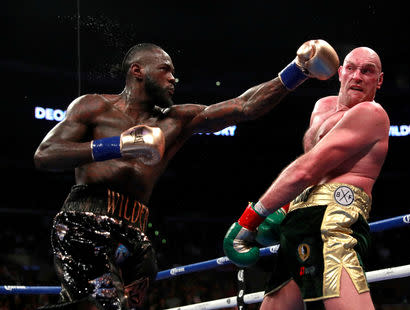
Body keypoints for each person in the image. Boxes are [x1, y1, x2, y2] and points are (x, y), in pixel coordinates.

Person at [34, 40, 339, 310]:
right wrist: (119, 145)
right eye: (165, 70)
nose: (173, 78)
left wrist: (298, 71)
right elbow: (46, 154)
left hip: (135, 236)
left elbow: (243, 107)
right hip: (86, 222)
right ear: (138, 71)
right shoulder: (94, 106)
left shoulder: (177, 121)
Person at [223, 46, 388, 310]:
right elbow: (313, 177)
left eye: (367, 71)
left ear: (378, 80)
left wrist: (252, 218)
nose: (357, 76)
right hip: (297, 223)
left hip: (333, 222)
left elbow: (306, 169)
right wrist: (285, 209)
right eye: (352, 68)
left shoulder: (372, 114)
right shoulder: (321, 107)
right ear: (340, 72)